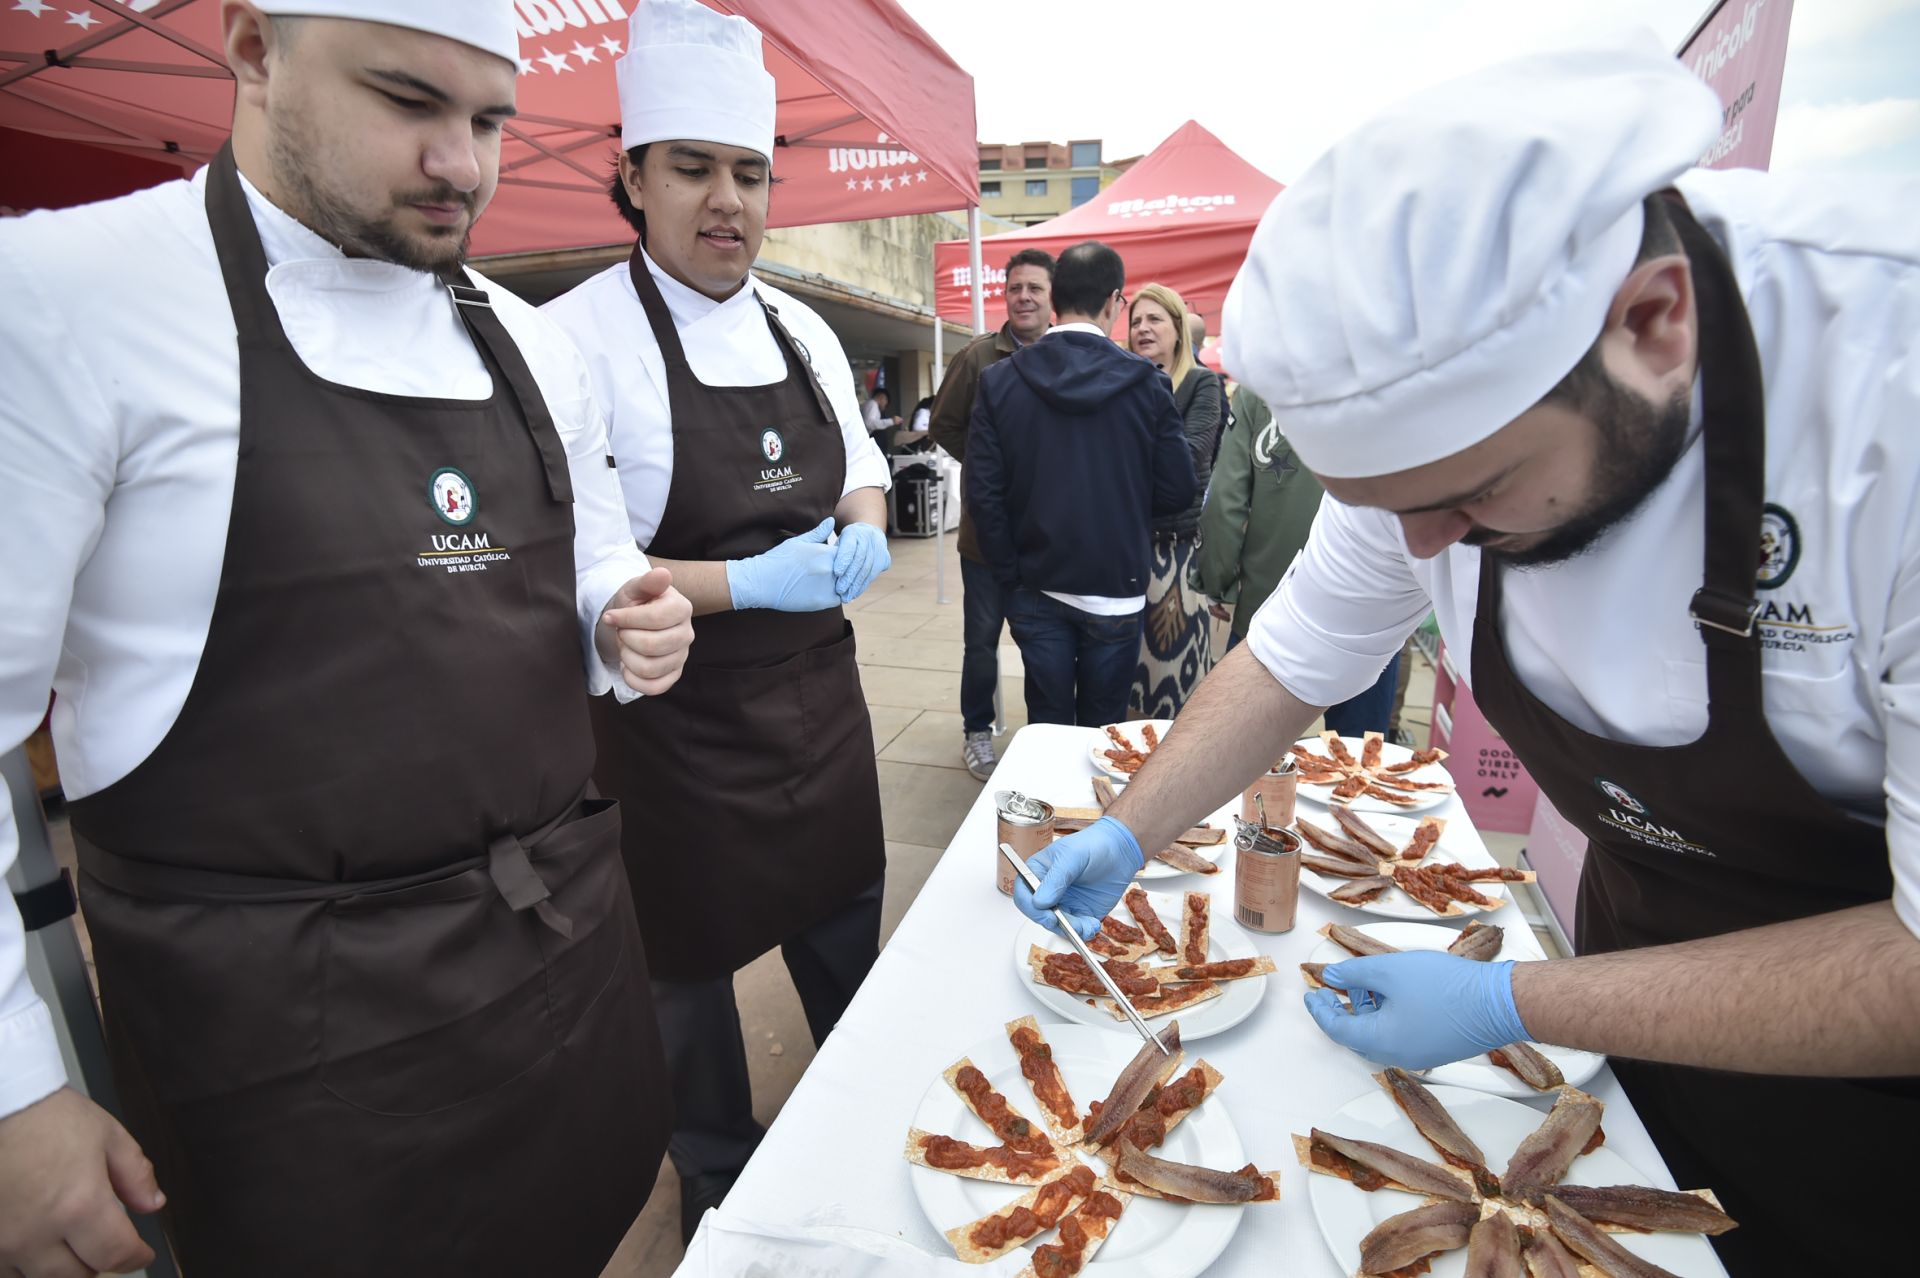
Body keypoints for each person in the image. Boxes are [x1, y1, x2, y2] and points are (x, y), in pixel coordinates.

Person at [1015, 38, 1920, 1274]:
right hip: (1639, 959)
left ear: (1653, 325)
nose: (1429, 549)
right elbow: (1289, 663)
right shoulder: (1431, 447)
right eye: (1394, 509)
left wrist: (1513, 1000)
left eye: (1473, 497)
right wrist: (1130, 827)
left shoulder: (1889, 393)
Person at [0, 4, 696, 1274]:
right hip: (296, 1045)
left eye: (490, 119)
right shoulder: (60, 302)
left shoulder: (531, 341)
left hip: (562, 968)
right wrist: (12, 1095)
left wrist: (615, 612)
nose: (463, 165)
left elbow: (593, 550)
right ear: (255, 50)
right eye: (408, 102)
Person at [540, 0, 892, 1244]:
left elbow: (860, 465)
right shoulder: (570, 340)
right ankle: (718, 1178)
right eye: (691, 168)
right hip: (673, 732)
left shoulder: (802, 326)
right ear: (634, 177)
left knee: (852, 930)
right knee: (684, 975)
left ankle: (875, 1120)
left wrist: (858, 529)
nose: (726, 199)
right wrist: (746, 585)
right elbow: (581, 567)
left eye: (748, 171)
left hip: (820, 712)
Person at [968, 241, 1195, 727]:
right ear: (1115, 300)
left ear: (1054, 300)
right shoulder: (1147, 384)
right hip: (1116, 584)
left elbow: (983, 494)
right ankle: (1095, 806)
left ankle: (1046, 803)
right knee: (1102, 730)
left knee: (1047, 724)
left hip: (1034, 583)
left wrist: (1011, 575)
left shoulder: (1000, 381)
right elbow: (1178, 491)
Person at [1189, 384, 1402, 735]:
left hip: (1271, 603)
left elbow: (1224, 502)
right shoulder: (1392, 382)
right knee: (1354, 763)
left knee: (1239, 750)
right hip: (1371, 611)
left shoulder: (1262, 388)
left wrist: (1217, 580)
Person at [928, 247, 1055, 778]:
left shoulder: (1066, 355)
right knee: (981, 641)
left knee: (1044, 645)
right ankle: (976, 731)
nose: (1022, 298)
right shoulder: (978, 357)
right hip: (984, 536)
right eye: (1014, 289)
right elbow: (943, 424)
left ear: (1054, 299)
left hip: (1046, 536)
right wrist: (988, 468)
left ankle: (1044, 737)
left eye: (1034, 289)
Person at [1126, 283, 1223, 718]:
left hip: (1177, 554)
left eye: (1154, 319)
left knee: (1174, 676)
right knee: (1123, 679)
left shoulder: (1202, 384)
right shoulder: (1120, 383)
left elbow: (1190, 455)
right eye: (1135, 321)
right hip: (1124, 551)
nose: (1143, 328)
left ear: (1178, 329)